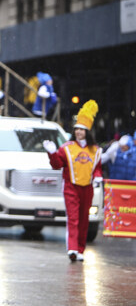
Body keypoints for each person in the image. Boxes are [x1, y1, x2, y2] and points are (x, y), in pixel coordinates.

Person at [43, 100, 102, 262]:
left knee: (84, 219)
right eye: (76, 129)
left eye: (81, 130)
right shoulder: (67, 148)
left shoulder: (95, 150)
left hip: (87, 188)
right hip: (70, 187)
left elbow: (97, 167)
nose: (78, 132)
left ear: (87, 131)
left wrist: (97, 177)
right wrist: (52, 154)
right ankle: (73, 248)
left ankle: (81, 249)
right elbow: (57, 165)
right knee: (73, 218)